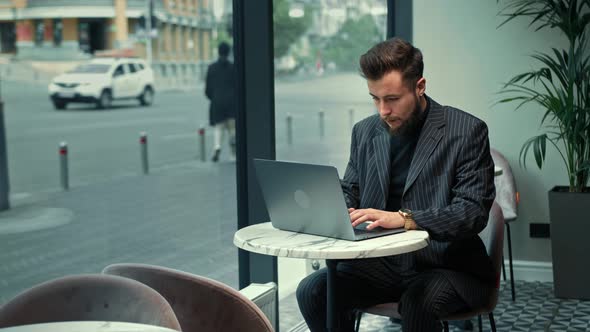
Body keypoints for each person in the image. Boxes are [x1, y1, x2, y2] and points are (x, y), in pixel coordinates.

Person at [296, 38, 496, 332]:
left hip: (446, 265)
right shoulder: (364, 132)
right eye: (374, 98)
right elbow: (351, 188)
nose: (382, 111)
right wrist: (326, 203)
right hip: (382, 265)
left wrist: (404, 219)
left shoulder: (466, 131)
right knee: (313, 292)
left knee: (419, 304)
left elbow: (472, 212)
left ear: (420, 86)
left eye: (392, 99)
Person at [205, 41, 236, 162]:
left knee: (218, 127)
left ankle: (217, 147)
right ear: (228, 53)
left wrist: (213, 97)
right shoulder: (233, 67)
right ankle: (233, 154)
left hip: (217, 102)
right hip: (232, 102)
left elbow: (207, 89)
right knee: (232, 128)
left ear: (218, 52)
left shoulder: (211, 68)